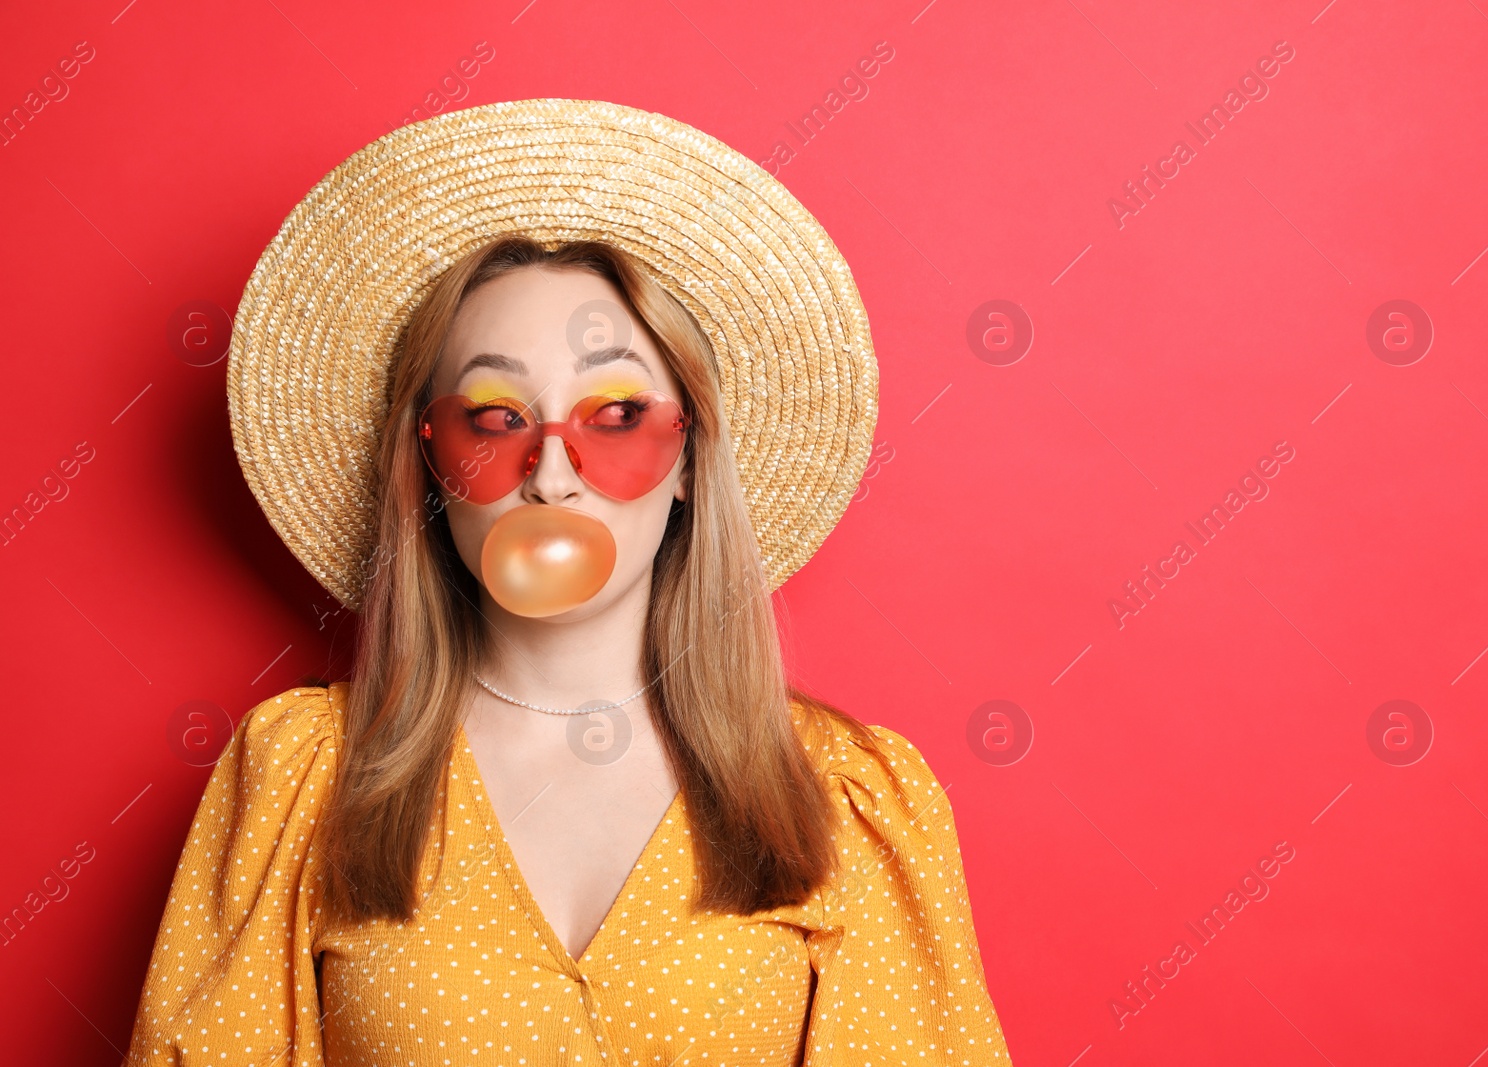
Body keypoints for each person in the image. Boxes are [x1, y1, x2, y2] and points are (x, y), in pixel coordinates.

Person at [123, 99, 1012, 1066]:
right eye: (496, 417)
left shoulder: (846, 795)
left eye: (617, 412)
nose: (551, 474)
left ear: (688, 461)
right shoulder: (303, 775)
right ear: (429, 463)